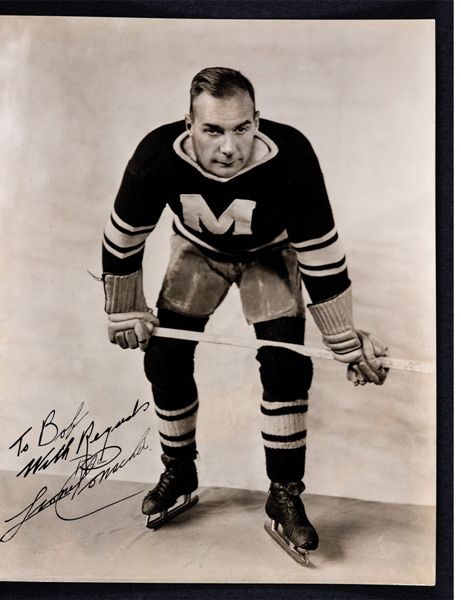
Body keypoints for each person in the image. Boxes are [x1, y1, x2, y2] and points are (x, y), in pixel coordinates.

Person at [102, 67, 388, 564]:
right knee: (165, 358)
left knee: (285, 366)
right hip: (197, 253)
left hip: (271, 257)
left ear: (259, 119)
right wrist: (125, 309)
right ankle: (180, 470)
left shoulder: (292, 157)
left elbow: (321, 255)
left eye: (242, 128)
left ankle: (284, 492)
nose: (230, 147)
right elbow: (123, 239)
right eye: (213, 130)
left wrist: (345, 341)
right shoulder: (156, 157)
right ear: (187, 123)